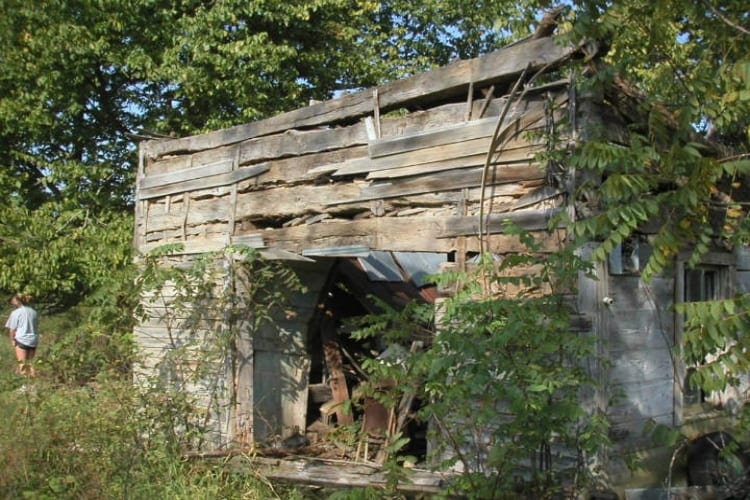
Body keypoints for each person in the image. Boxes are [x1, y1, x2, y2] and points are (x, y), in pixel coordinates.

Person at [5, 293, 39, 377]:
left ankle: (25, 386)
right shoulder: (34, 312)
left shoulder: (16, 312)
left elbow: (12, 329)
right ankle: (33, 385)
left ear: (18, 301)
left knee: (22, 364)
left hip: (21, 340)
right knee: (30, 363)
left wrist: (12, 340)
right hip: (33, 340)